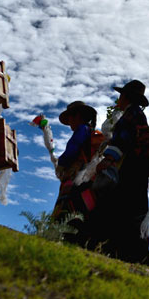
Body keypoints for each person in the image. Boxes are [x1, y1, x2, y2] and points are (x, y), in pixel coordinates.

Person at [91, 80, 149, 265]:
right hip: (137, 171)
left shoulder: (131, 115)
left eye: (121, 96)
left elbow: (122, 141)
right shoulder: (137, 115)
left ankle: (123, 250)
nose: (118, 99)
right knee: (133, 209)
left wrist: (108, 159)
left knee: (122, 207)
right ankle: (130, 252)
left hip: (129, 169)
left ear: (125, 97)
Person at [50, 101, 99, 245]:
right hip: (87, 181)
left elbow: (73, 149)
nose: (69, 122)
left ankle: (59, 238)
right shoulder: (90, 131)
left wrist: (61, 163)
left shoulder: (82, 130)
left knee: (67, 209)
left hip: (75, 178)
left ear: (77, 116)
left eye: (70, 117)